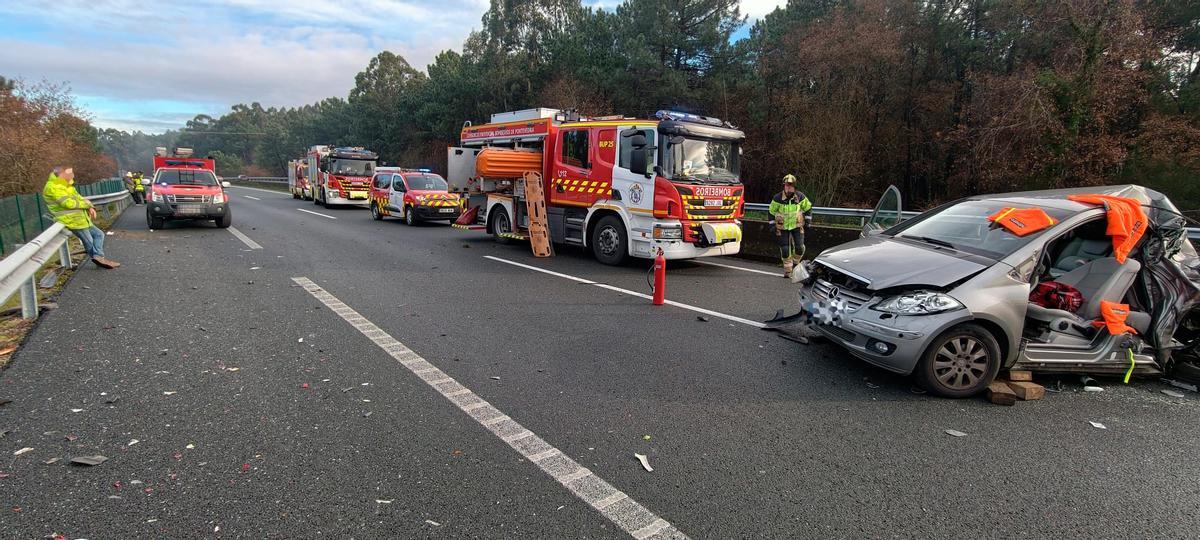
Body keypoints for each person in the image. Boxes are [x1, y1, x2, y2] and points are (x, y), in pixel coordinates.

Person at [43, 166, 120, 269]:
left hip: (81, 219)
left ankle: (99, 258)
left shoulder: (66, 185)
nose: (72, 175)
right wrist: (87, 205)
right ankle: (100, 259)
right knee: (89, 242)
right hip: (71, 220)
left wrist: (90, 206)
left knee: (99, 234)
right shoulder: (53, 187)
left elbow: (80, 198)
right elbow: (68, 204)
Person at [768, 174, 812, 278]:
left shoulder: (800, 196)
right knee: (785, 249)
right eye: (787, 185)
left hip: (797, 226)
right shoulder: (777, 198)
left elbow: (808, 208)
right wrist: (771, 225)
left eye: (791, 185)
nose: (789, 187)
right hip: (782, 227)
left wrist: (808, 221)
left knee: (799, 248)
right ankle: (788, 271)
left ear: (794, 186)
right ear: (784, 186)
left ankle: (796, 263)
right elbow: (771, 212)